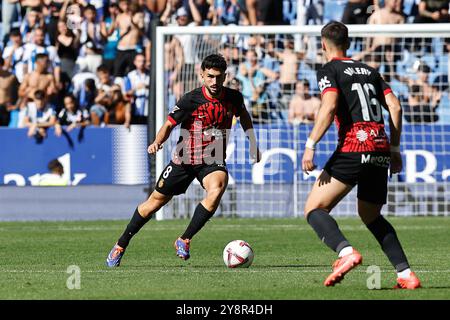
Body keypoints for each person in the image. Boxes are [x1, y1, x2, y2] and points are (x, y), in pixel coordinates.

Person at [106, 54, 261, 267]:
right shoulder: (190, 99)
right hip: (184, 158)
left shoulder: (234, 97)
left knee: (217, 188)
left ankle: (184, 238)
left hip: (212, 157)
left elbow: (244, 117)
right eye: (210, 77)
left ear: (225, 76)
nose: (214, 82)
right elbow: (169, 124)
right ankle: (121, 244)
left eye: (218, 77)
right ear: (201, 75)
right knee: (153, 204)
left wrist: (253, 143)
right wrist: (157, 142)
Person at [301, 21, 421, 289]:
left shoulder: (329, 69)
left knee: (314, 208)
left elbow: (330, 105)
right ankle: (406, 274)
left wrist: (311, 143)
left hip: (354, 146)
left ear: (323, 44)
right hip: (379, 147)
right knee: (371, 215)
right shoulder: (370, 70)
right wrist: (394, 149)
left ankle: (346, 253)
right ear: (349, 43)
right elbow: (396, 107)